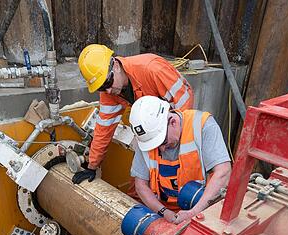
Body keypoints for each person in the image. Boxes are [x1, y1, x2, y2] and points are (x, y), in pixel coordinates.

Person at [73, 44, 194, 184]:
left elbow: (185, 104)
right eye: (101, 88)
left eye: (107, 83)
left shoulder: (152, 70)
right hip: (150, 135)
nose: (108, 91)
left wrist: (176, 145)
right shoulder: (110, 92)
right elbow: (104, 130)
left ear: (116, 66)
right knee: (139, 184)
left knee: (174, 181)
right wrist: (92, 166)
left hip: (174, 132)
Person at [128, 96, 231, 224]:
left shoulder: (202, 124)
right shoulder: (147, 136)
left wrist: (193, 213)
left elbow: (223, 172)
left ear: (173, 122)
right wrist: (164, 212)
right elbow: (140, 185)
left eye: (163, 142)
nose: (162, 149)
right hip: (164, 210)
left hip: (201, 207)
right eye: (155, 145)